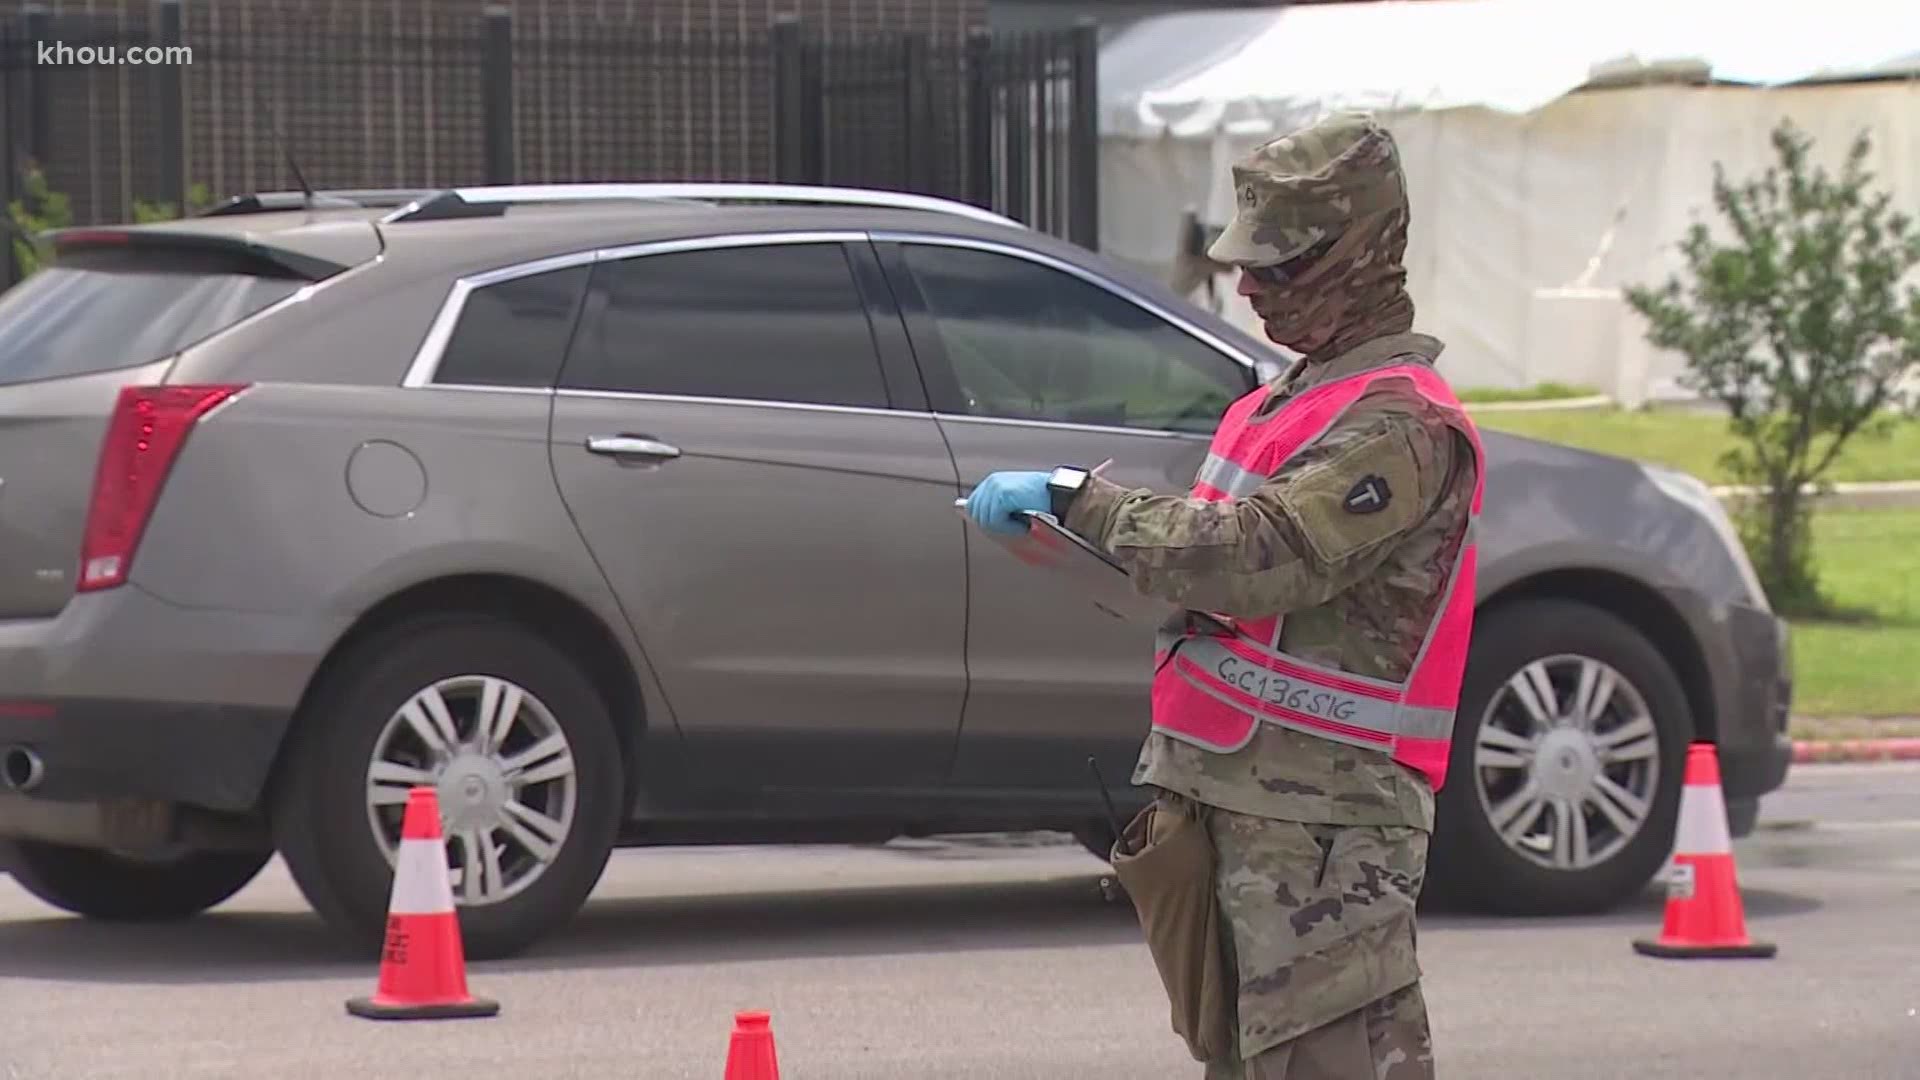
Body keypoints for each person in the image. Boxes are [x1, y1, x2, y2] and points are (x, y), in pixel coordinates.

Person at [964, 111, 1485, 1079]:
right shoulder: (1283, 404)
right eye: (1247, 263)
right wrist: (1080, 549)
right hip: (1236, 816)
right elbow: (1219, 592)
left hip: (1326, 843)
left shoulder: (1403, 427)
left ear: (1360, 257)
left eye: (1279, 268)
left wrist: (1085, 503)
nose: (1247, 286)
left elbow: (1260, 555)